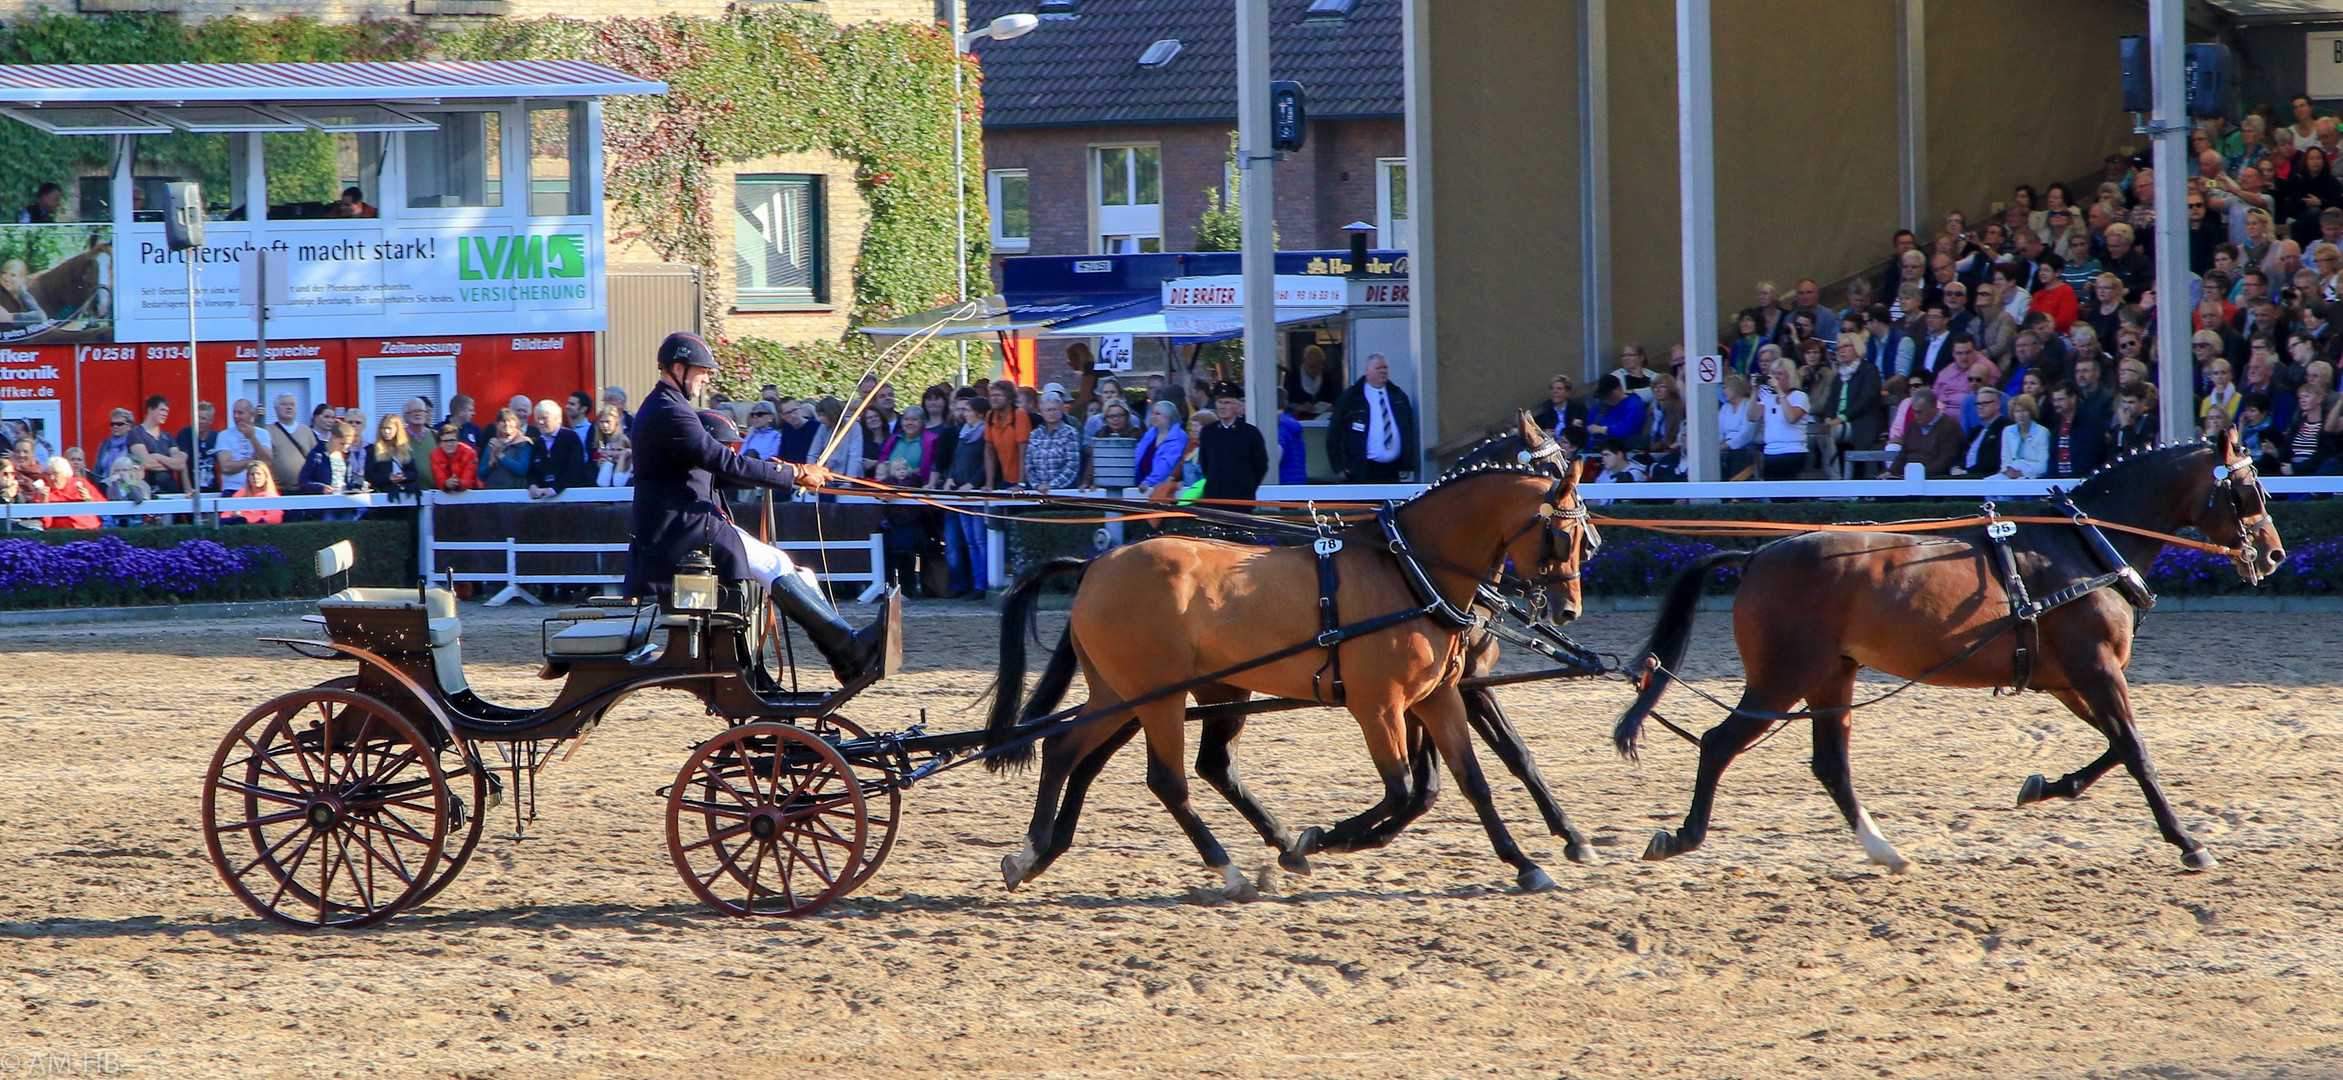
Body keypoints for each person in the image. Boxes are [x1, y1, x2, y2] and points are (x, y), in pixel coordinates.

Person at [626, 332, 885, 681]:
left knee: (798, 574)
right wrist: (792, 473)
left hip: (690, 526)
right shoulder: (669, 411)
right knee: (775, 563)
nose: (707, 378)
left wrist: (783, 473)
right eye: (703, 370)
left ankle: (844, 654)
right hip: (680, 532)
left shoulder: (669, 407)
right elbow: (723, 462)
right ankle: (849, 652)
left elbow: (717, 472)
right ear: (678, 367)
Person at [937, 395, 991, 598]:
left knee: (979, 541)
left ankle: (982, 584)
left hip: (974, 494)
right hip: (960, 493)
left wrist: (972, 484)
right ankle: (972, 583)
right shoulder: (964, 433)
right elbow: (956, 460)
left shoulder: (986, 435)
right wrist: (950, 478)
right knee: (969, 541)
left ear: (978, 413)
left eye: (968, 411)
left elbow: (987, 463)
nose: (964, 414)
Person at [1196, 381, 1268, 502]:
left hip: (1241, 499)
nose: (1222, 407)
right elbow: (1205, 464)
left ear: (1238, 406)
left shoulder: (1250, 433)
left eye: (1227, 402)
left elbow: (1260, 466)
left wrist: (1247, 488)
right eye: (1219, 402)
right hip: (1214, 499)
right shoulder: (1208, 432)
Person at [1753, 356, 1810, 480]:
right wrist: (1754, 391)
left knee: (1789, 494)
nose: (1776, 377)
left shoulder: (1800, 396)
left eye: (1780, 374)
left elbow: (1791, 417)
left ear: (1790, 376)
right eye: (1773, 374)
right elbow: (1753, 416)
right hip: (1770, 452)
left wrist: (1779, 391)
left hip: (1793, 451)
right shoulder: (1768, 398)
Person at [1888, 388, 1965, 478]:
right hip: (1909, 476)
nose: (1916, 416)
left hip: (1935, 479)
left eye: (1920, 412)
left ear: (1933, 408)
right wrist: (1891, 471)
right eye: (1914, 411)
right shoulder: (1913, 425)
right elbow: (1903, 454)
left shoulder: (1949, 426)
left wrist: (1919, 475)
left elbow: (1946, 460)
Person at [527, 398, 590, 498]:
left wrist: (555, 489)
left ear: (558, 419)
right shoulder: (537, 443)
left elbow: (575, 470)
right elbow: (532, 471)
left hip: (570, 499)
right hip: (542, 501)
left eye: (544, 418)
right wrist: (533, 486)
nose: (540, 422)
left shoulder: (571, 438)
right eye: (537, 419)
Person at [128, 395, 188, 496]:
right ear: (151, 410)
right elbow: (145, 463)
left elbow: (180, 464)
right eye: (162, 410)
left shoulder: (167, 436)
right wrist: (170, 464)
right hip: (148, 493)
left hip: (171, 492)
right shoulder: (136, 433)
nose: (165, 414)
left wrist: (157, 456)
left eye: (167, 411)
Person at [2046, 382, 2107, 480]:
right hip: (2060, 483)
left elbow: (2091, 454)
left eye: (2060, 399)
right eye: (2054, 400)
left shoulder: (2090, 420)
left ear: (2073, 398)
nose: (2056, 404)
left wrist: (2075, 476)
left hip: (2084, 481)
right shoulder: (2057, 425)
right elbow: (2053, 458)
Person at [1024, 392, 1084, 492]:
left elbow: (1072, 465)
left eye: (1054, 409)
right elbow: (1029, 464)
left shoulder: (1071, 433)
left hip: (1064, 492)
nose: (1051, 413)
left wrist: (1052, 486)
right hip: (1037, 491)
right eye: (1048, 410)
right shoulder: (1035, 434)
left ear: (1061, 410)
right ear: (1042, 412)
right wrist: (1037, 485)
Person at [215, 398, 272, 496]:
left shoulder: (263, 434)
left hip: (257, 490)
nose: (236, 416)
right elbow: (226, 468)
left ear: (251, 414)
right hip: (232, 489)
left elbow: (266, 461)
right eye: (234, 413)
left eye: (240, 413)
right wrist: (252, 461)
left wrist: (252, 437)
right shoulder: (224, 435)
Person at [982, 381, 1032, 489]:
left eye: (998, 395)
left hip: (1025, 480)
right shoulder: (990, 416)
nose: (994, 399)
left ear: (1009, 398)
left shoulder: (1019, 414)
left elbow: (1024, 452)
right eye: (992, 395)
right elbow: (989, 451)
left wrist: (1021, 483)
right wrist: (989, 484)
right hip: (1006, 479)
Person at [1134, 399, 1188, 490]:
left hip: (1158, 487)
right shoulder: (1151, 432)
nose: (1153, 416)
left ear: (1169, 416)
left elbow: (1167, 465)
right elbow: (1137, 455)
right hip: (1139, 484)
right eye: (1152, 413)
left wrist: (1149, 482)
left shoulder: (1178, 436)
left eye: (1158, 414)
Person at [263, 394, 316, 486]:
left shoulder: (306, 431)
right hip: (278, 489)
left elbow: (316, 458)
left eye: (292, 404)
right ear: (276, 409)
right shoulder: (268, 431)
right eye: (284, 404)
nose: (289, 407)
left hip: (305, 488)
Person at [1959, 385, 2011, 477]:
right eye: (1978, 404)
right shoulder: (1976, 431)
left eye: (1985, 403)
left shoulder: (2005, 428)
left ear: (1997, 404)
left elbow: (1994, 461)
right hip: (1965, 476)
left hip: (1985, 478)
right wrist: (1955, 467)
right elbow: (1961, 453)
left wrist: (1967, 472)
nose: (1980, 407)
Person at [478, 408, 534, 490]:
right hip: (492, 494)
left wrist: (501, 456)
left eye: (510, 421)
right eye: (503, 421)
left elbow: (522, 470)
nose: (507, 424)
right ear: (497, 425)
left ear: (516, 424)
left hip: (516, 495)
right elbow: (481, 475)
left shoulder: (524, 443)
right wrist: (490, 463)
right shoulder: (492, 444)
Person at [38, 455, 99, 530]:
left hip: (90, 528)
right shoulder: (43, 492)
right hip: (62, 533)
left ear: (65, 473)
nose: (51, 478)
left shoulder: (81, 483)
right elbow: (46, 525)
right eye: (48, 474)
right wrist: (44, 503)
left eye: (56, 473)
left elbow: (103, 507)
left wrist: (88, 499)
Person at [224, 460, 285, 525]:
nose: (256, 477)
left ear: (266, 477)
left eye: (259, 474)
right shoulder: (240, 493)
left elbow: (275, 518)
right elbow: (226, 515)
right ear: (248, 478)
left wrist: (246, 519)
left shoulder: (271, 496)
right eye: (252, 474)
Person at [1284, 344, 1341, 413]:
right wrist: (1298, 407)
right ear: (1305, 362)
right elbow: (1284, 403)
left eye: (1319, 367)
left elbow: (1334, 400)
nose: (1316, 370)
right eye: (1312, 367)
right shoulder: (1292, 378)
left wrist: (1331, 408)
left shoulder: (1327, 379)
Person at [431, 418, 482, 494]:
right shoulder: (434, 454)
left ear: (458, 441)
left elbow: (468, 479)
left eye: (452, 440)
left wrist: (457, 483)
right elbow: (439, 478)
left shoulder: (470, 453)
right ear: (440, 444)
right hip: (445, 494)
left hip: (471, 494)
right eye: (445, 441)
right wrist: (446, 484)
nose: (449, 444)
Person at [592, 404, 633, 487]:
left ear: (616, 422)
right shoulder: (600, 442)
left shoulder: (625, 439)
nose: (604, 426)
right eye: (601, 422)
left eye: (608, 421)